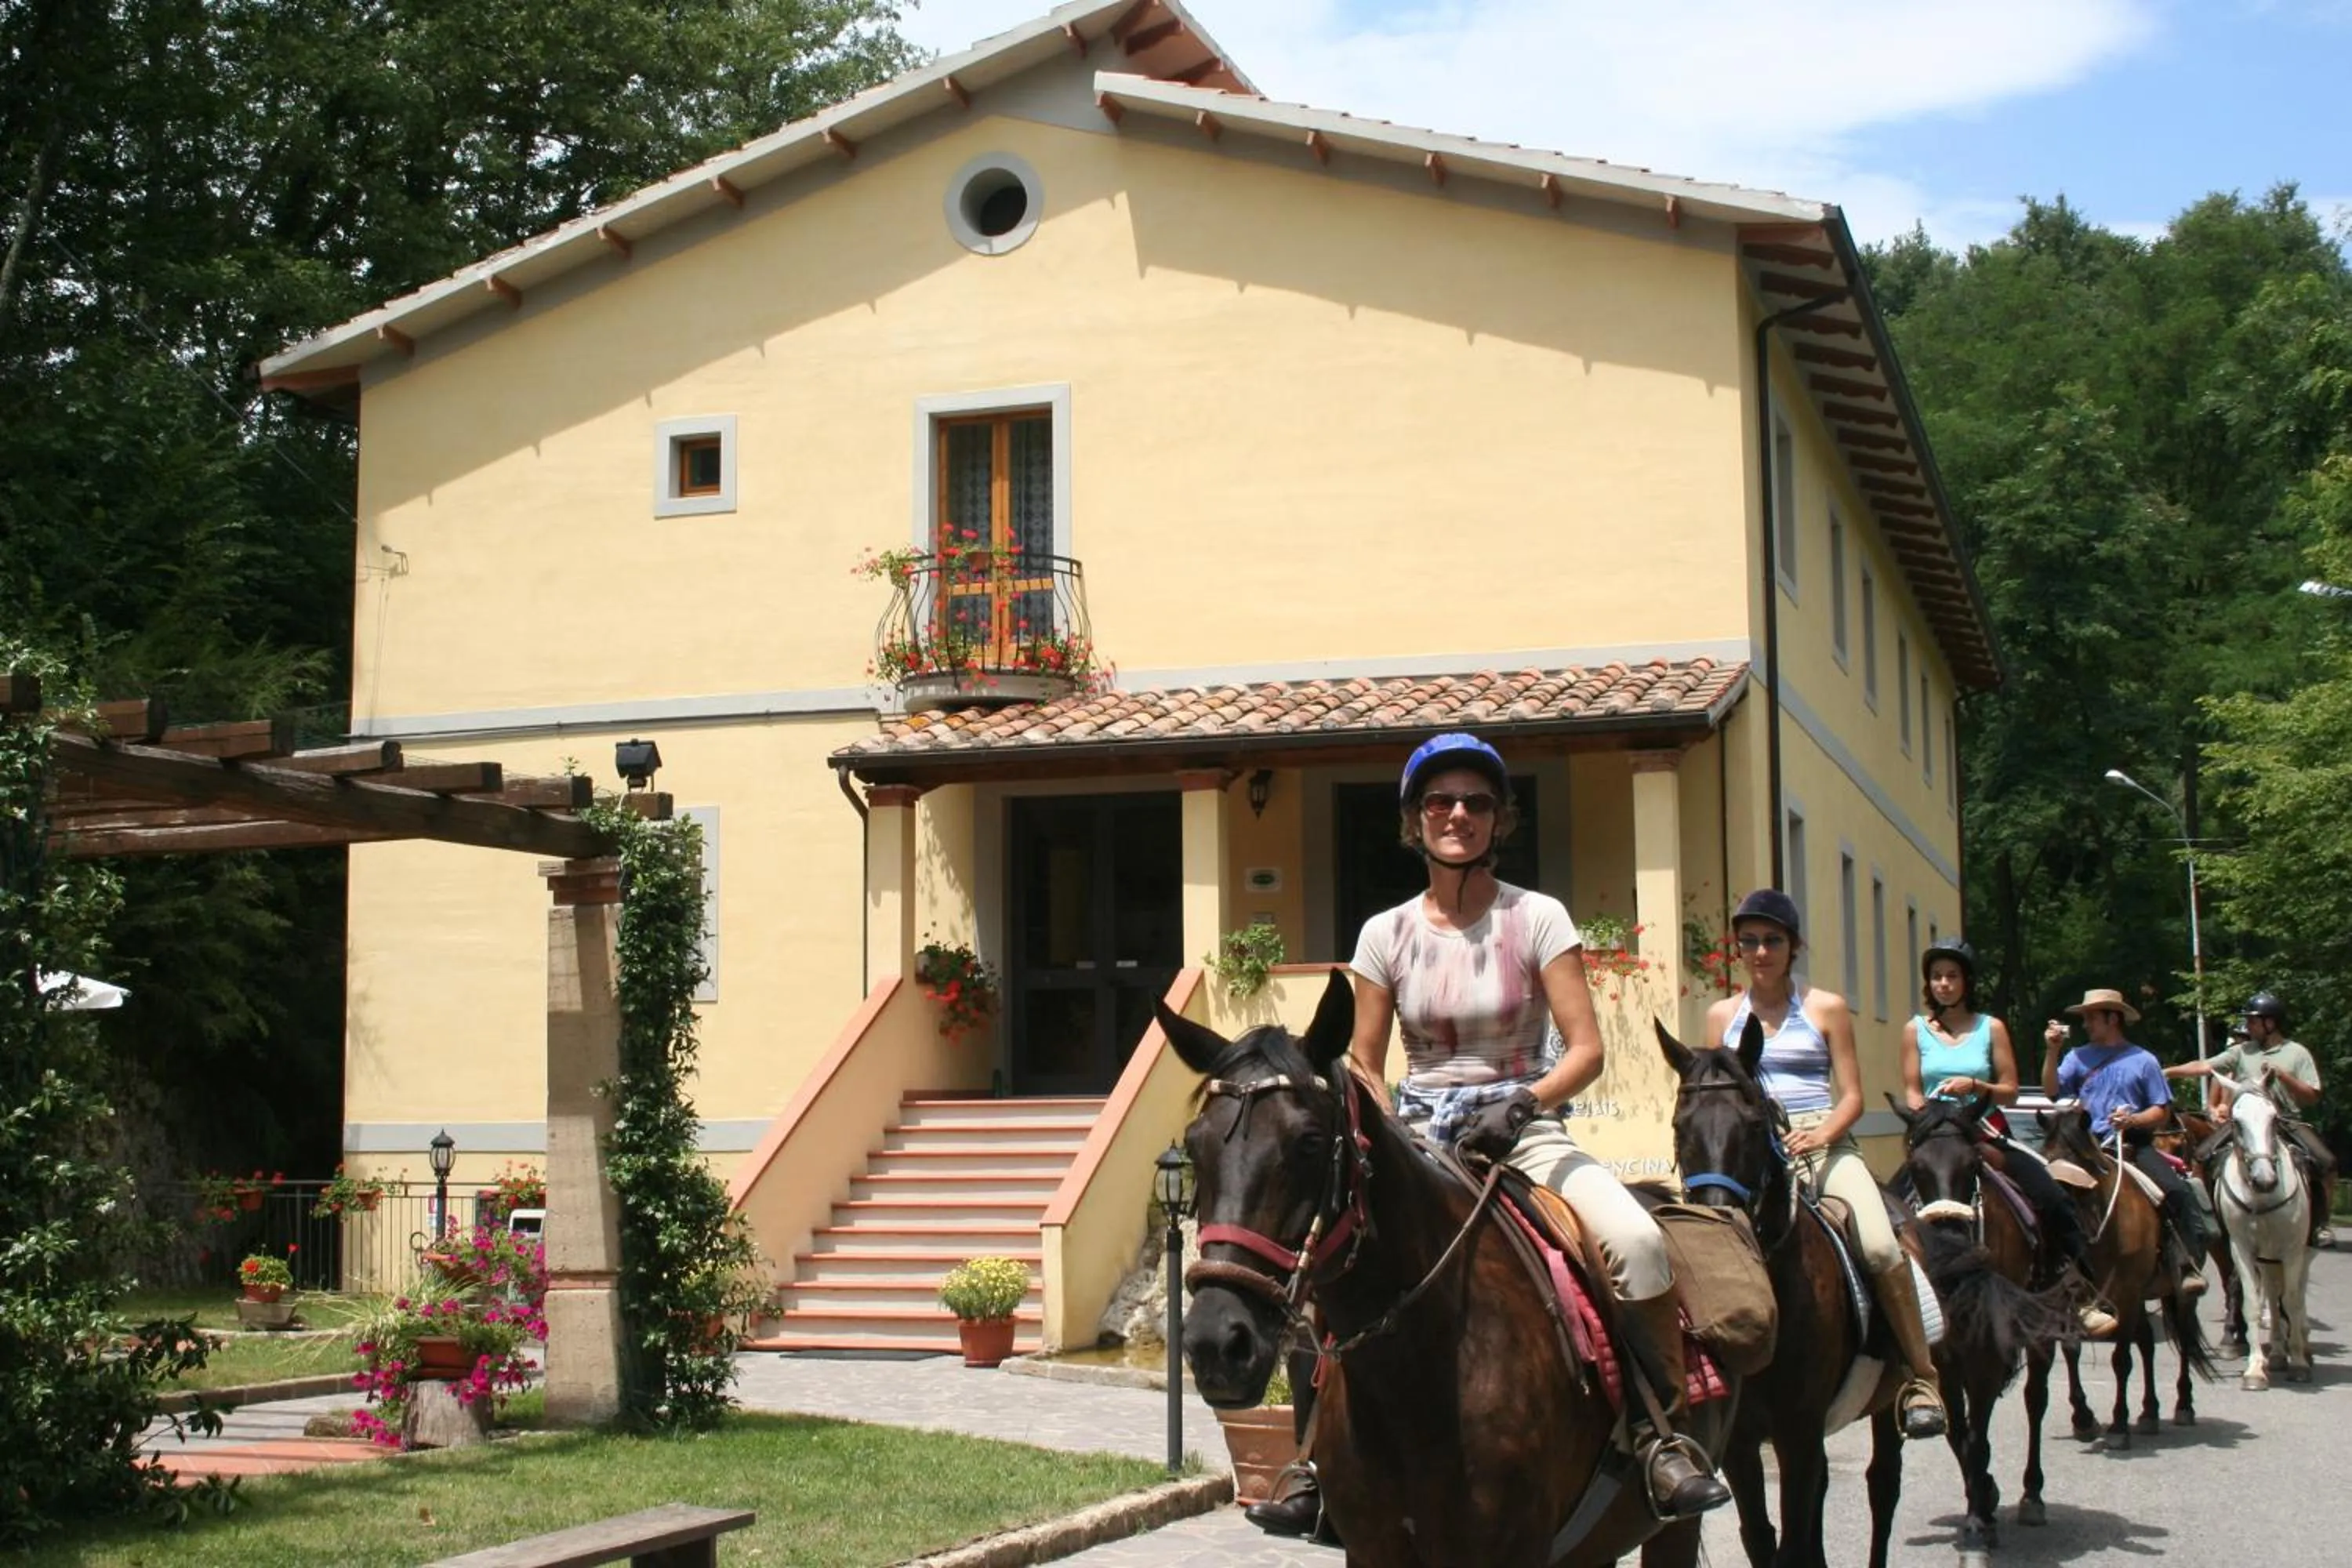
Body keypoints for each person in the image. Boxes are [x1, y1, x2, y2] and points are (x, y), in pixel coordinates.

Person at [1245, 732, 1730, 1537]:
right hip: (1419, 1135)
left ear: (1500, 818)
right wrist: (1389, 1126)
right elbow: (1364, 1062)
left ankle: (1659, 1432)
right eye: (1440, 801)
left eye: (1475, 801)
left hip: (1525, 1131)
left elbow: (1586, 1049)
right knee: (1327, 1262)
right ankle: (1313, 1460)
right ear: (1415, 820)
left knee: (1637, 1241)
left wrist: (1523, 1101)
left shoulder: (1536, 916)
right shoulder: (1385, 932)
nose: (1458, 813)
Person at [1710, 890, 1947, 1440]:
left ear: (1794, 946)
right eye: (1750, 941)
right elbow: (1717, 1097)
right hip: (1749, 1154)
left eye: (1773, 940)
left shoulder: (1826, 1008)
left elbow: (1854, 1097)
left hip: (1823, 1144)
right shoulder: (1721, 1015)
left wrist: (1820, 1134)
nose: (1761, 951)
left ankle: (1920, 1374)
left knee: (1883, 1245)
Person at [1900, 938, 2118, 1336]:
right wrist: (1927, 1116)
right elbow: (1913, 1089)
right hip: (1936, 1134)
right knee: (1891, 1203)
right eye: (1936, 977)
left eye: (1951, 976)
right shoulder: (1914, 1029)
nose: (1943, 984)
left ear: (1967, 981)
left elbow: (2011, 1090)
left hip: (1984, 1131)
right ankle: (1892, 1297)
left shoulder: (1991, 1027)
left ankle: (2078, 1286)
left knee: (2051, 1196)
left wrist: (1975, 1084)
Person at [2040, 989, 2208, 1297]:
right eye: (2086, 1017)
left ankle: (2184, 1262)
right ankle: (2049, 1266)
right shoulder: (2076, 1056)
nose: (2086, 1023)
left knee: (2175, 1191)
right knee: (2049, 1194)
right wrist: (2052, 1052)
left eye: (2092, 1017)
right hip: (2087, 1147)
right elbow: (2052, 1090)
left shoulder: (2144, 1061)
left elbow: (2161, 1110)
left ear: (2113, 1018)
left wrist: (2133, 1121)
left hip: (2132, 1145)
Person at [2165, 991, 2336, 1244]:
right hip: (2246, 1120)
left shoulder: (2297, 1053)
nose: (2248, 1026)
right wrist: (2167, 1072)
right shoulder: (2242, 1052)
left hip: (2286, 1119)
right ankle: (2211, 1217)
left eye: (2253, 1021)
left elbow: (2312, 1095)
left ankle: (2320, 1224)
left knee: (2325, 1161)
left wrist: (2283, 1076)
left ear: (2271, 1023)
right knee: (2202, 1155)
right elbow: (2204, 1066)